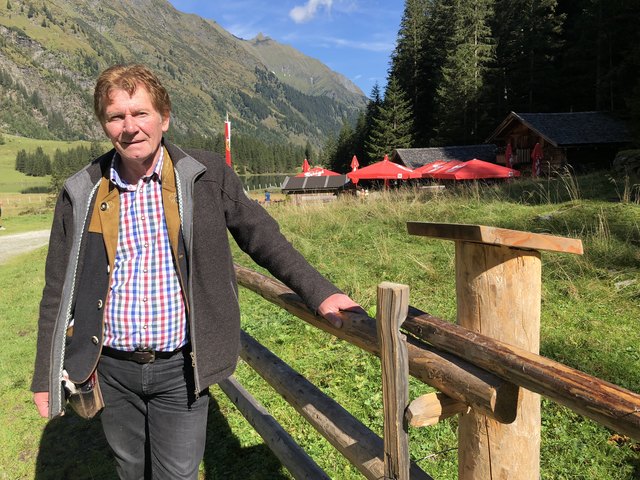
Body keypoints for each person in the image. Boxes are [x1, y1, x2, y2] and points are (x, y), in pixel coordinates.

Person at [31, 64, 362, 479]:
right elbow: (57, 289)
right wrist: (45, 374)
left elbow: (261, 235)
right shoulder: (82, 190)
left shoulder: (204, 175)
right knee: (129, 468)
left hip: (182, 368)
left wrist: (320, 292)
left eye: (141, 113)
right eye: (117, 117)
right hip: (110, 367)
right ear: (104, 125)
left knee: (179, 473)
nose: (130, 127)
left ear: (164, 118)